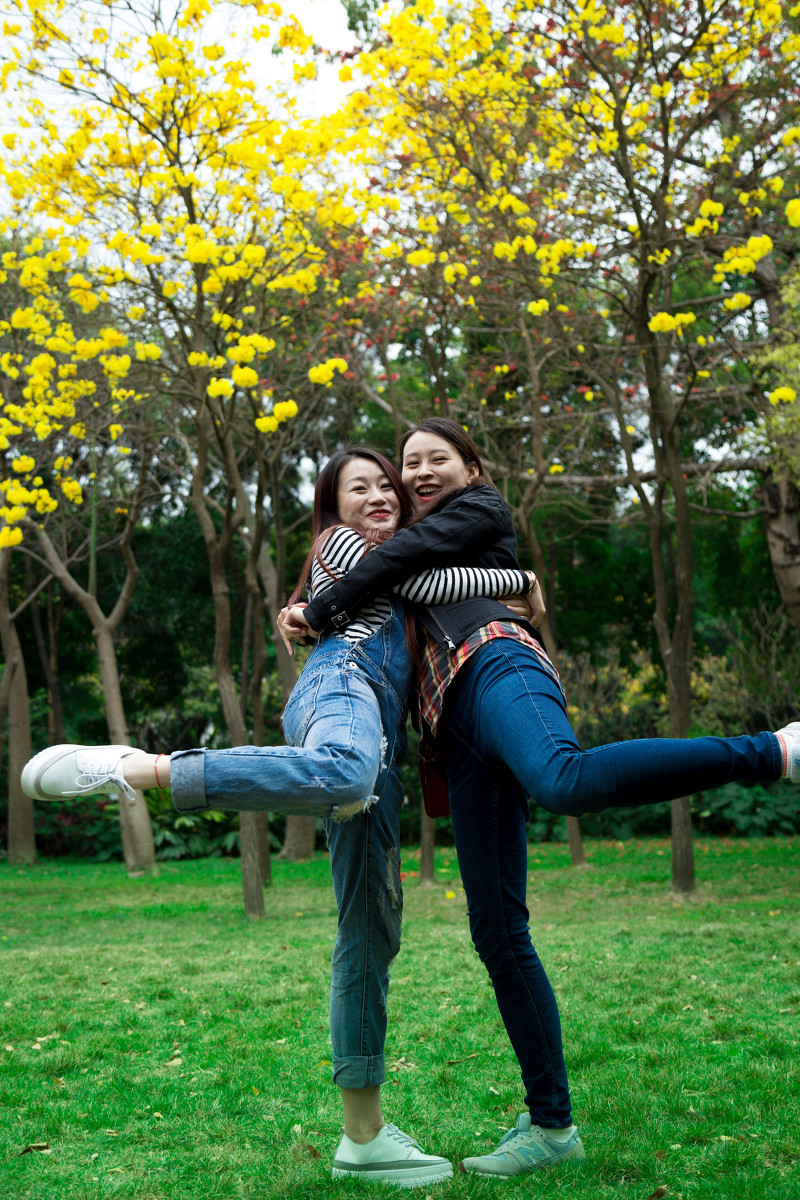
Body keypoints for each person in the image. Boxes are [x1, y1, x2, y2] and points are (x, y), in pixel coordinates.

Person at [281, 416, 800, 1179]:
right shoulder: (398, 550)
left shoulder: (474, 513)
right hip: (453, 729)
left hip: (495, 663)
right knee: (495, 928)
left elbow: (402, 570)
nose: (416, 474)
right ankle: (552, 1126)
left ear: (471, 467)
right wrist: (318, 608)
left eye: (434, 459)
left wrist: (507, 584)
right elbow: (385, 584)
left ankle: (774, 751)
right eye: (406, 464)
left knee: (564, 778)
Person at [21, 446, 539, 1188]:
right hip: (343, 688)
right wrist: (520, 580)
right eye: (359, 487)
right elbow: (421, 576)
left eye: (386, 486)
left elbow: (434, 589)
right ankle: (141, 769)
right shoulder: (347, 547)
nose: (379, 495)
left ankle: (363, 1139)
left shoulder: (402, 562)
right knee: (344, 770)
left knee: (371, 929)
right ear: (333, 507)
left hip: (382, 742)